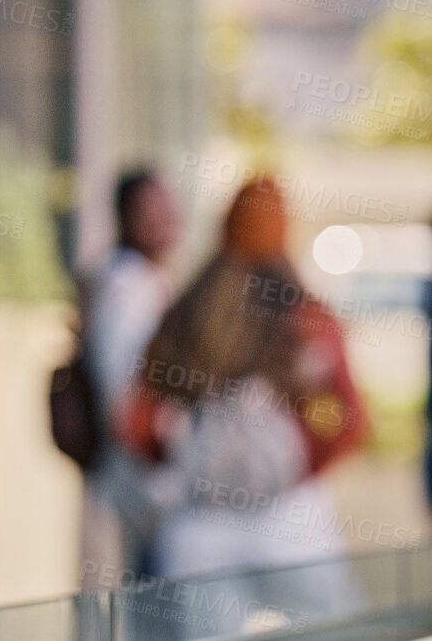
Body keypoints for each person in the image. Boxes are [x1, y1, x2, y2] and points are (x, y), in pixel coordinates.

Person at [120, 178, 367, 634]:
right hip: (295, 523)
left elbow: (136, 424)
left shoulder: (185, 311)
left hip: (198, 528)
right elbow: (349, 422)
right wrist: (294, 469)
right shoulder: (306, 315)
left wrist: (185, 463)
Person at [79, 168, 182, 585]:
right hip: (145, 473)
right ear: (126, 218)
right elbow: (121, 395)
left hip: (149, 470)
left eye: (168, 208)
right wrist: (161, 451)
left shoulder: (147, 279)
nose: (166, 220)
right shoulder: (125, 286)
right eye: (151, 211)